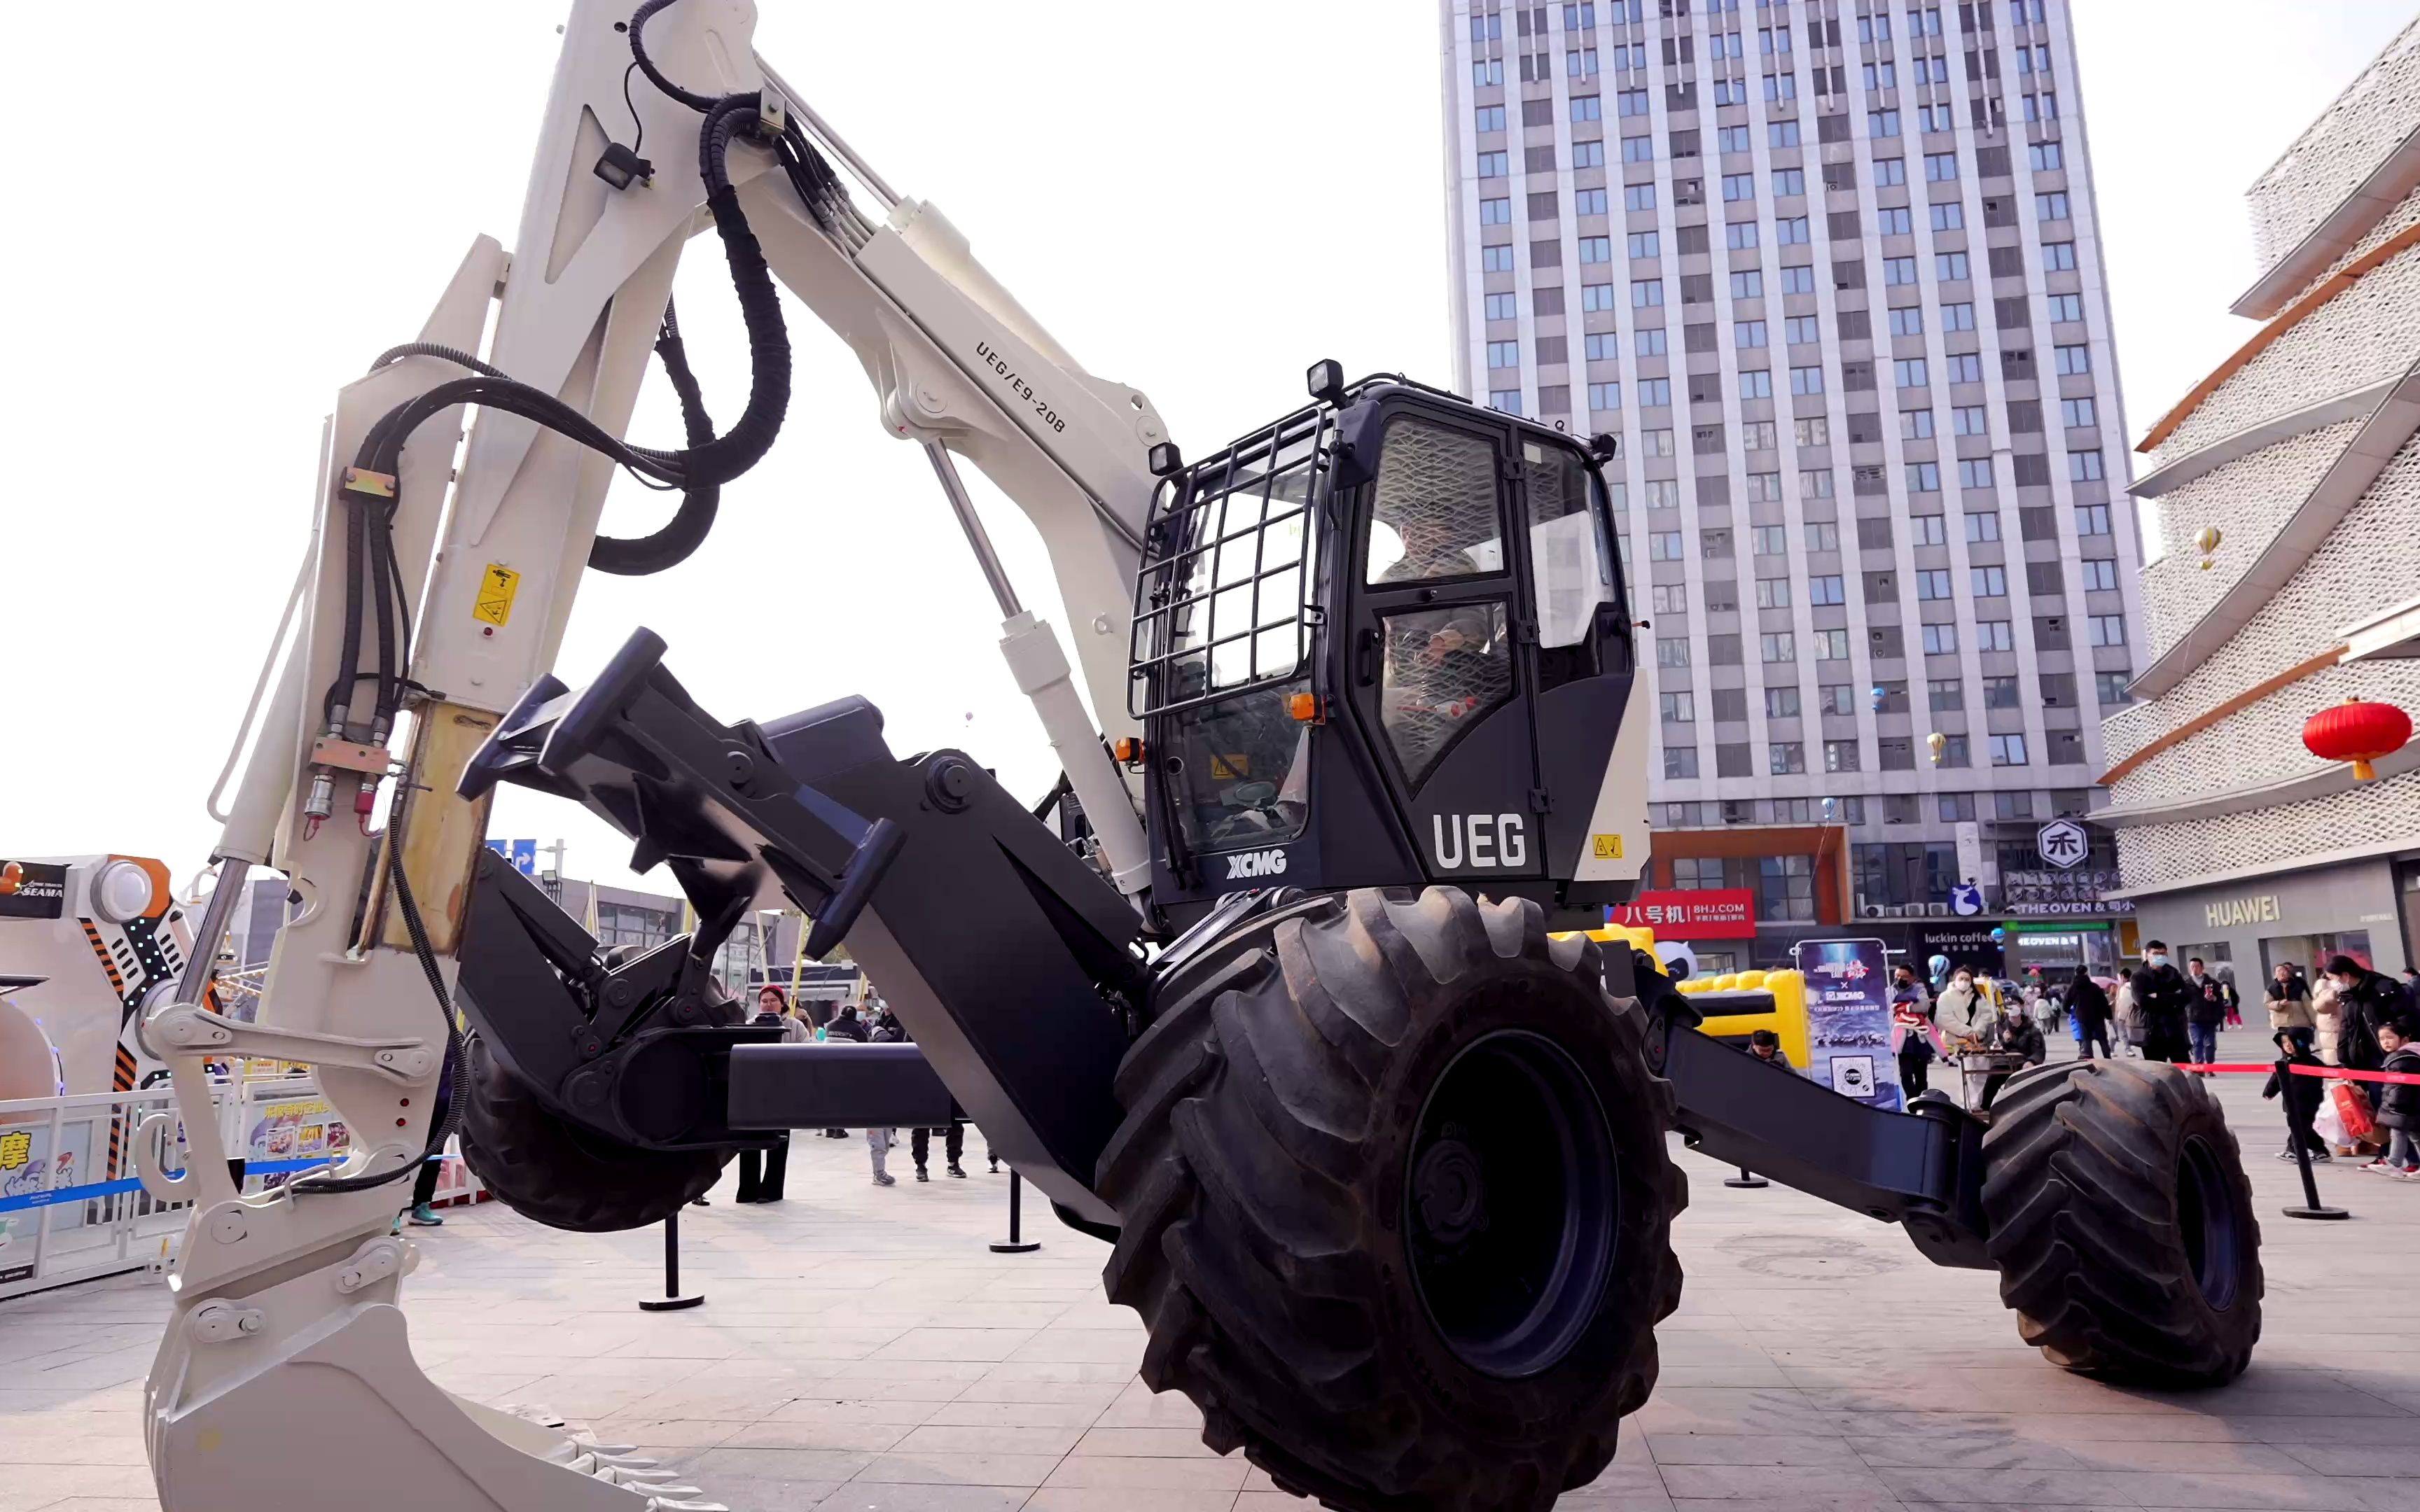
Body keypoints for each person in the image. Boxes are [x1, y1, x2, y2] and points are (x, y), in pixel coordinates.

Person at [736, 986, 804, 1203]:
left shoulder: (794, 1026)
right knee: (749, 1141)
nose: (768, 1004)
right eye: (764, 1001)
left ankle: (772, 1190)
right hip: (754, 1093)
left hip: (783, 1092)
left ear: (782, 1003)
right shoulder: (749, 1027)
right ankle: (748, 1189)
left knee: (779, 1142)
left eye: (773, 1000)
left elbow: (807, 1052)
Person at [2260, 1029, 2331, 1163]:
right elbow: (2276, 1079)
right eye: (2284, 1042)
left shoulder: (2312, 1062)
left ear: (2301, 1043)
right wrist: (2269, 1093)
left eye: (2291, 1042)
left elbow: (2328, 1071)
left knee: (2298, 1128)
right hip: (2291, 1103)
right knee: (2307, 1129)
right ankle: (2320, 1151)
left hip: (2310, 1103)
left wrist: (2343, 1073)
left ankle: (2292, 1150)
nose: (2287, 1045)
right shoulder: (2284, 1062)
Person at [2367, 1014, 2420, 1178]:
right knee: (2415, 1136)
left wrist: (2392, 1106)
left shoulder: (2400, 1058)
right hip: (2412, 1105)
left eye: (2390, 1037)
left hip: (2403, 1106)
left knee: (2398, 1131)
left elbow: (2397, 1087)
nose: (2385, 1042)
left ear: (2404, 1040)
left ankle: (2394, 1163)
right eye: (2382, 1038)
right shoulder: (2411, 1055)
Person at [866, 998, 906, 1186]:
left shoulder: (901, 1025)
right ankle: (879, 1173)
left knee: (886, 1136)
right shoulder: (878, 1025)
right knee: (878, 1141)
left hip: (891, 1088)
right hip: (875, 1091)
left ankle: (880, 1171)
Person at [2135, 941, 2192, 1065]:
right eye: (2156, 953)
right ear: (2147, 955)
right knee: (2156, 1073)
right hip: (2153, 1032)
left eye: (2162, 953)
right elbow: (2143, 1001)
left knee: (2185, 1071)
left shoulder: (2174, 973)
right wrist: (2173, 999)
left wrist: (2159, 996)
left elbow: (2187, 997)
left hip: (2176, 1030)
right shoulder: (2139, 977)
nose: (2160, 956)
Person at [822, 1000, 868, 1139]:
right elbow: (865, 1048)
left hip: (829, 1068)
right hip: (848, 1069)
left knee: (830, 1098)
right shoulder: (858, 1029)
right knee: (842, 1099)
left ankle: (829, 1129)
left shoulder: (830, 1026)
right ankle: (839, 1129)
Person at [1891, 967, 1935, 1098]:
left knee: (1921, 1074)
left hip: (1918, 1038)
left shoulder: (1919, 990)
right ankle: (1911, 1100)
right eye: (1897, 976)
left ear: (1912, 978)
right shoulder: (1890, 991)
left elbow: (1924, 1005)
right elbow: (1888, 1008)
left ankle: (1921, 1101)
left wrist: (1903, 1008)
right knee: (1905, 1073)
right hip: (1901, 1039)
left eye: (1904, 976)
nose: (1900, 979)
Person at [2184, 956, 2230, 1073]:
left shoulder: (2212, 983)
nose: (2194, 969)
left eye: (2197, 966)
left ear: (2202, 968)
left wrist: (2214, 998)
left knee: (2210, 1044)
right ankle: (2199, 1067)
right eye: (2192, 967)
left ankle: (2209, 1066)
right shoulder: (2186, 984)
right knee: (2198, 1042)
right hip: (2194, 1018)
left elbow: (2221, 998)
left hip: (2210, 1018)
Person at [2265, 962, 2315, 1055]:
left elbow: (2308, 1003)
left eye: (2284, 971)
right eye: (2279, 971)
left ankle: (2305, 1062)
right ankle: (2288, 1064)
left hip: (2300, 1022)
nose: (2282, 973)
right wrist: (2279, 1003)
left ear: (2288, 973)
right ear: (2275, 974)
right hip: (2283, 1023)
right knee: (2287, 1048)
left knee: (2302, 1047)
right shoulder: (2272, 987)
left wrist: (2314, 1020)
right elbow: (2267, 1003)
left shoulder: (2299, 984)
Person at [2066, 966, 2113, 1060]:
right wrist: (2109, 1016)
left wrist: (2073, 1012)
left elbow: (2065, 1004)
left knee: (2087, 1040)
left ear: (2076, 973)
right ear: (2087, 973)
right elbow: (2104, 1003)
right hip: (2098, 1018)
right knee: (2103, 1040)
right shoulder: (2095, 987)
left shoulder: (2073, 988)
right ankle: (2108, 1058)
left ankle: (2090, 1061)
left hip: (2082, 1018)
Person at [2314, 969, 2346, 1066]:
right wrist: (2334, 995)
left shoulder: (2345, 984)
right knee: (2335, 1058)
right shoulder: (2324, 984)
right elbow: (2321, 1005)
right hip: (2332, 1028)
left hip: (2340, 1027)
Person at [2114, 967, 2145, 1058]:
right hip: (2133, 1015)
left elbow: (2122, 1004)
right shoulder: (2133, 986)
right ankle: (2130, 1047)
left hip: (2125, 1015)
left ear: (2123, 976)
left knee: (2124, 1033)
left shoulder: (2124, 988)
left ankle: (2128, 1049)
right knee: (2130, 1032)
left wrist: (2118, 1016)